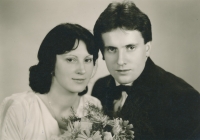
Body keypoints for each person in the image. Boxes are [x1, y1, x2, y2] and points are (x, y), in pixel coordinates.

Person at [92, 1, 200, 139]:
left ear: (147, 48)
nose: (120, 61)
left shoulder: (184, 100)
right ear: (102, 52)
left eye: (130, 47)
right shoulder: (100, 87)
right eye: (112, 49)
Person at [0, 23, 101, 140]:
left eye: (88, 60)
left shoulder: (93, 106)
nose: (82, 70)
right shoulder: (21, 108)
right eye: (70, 60)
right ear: (50, 63)